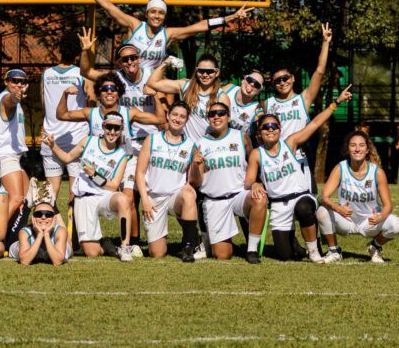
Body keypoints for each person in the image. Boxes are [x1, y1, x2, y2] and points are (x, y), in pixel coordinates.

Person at [78, 27, 166, 253]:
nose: (130, 61)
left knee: (134, 195)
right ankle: (126, 241)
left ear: (140, 58)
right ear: (120, 62)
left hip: (139, 145)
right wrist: (87, 50)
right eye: (125, 59)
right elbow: (86, 71)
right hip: (118, 147)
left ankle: (133, 242)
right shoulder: (115, 77)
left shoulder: (151, 74)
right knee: (126, 196)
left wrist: (155, 94)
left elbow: (161, 117)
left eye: (133, 57)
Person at [244, 85, 353, 263]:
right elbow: (248, 181)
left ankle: (313, 251)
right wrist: (255, 184)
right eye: (266, 127)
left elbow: (316, 123)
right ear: (259, 132)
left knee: (304, 208)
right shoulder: (257, 154)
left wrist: (336, 103)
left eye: (274, 126)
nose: (270, 130)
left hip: (300, 196)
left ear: (280, 129)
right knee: (285, 255)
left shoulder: (290, 143)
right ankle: (296, 247)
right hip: (279, 205)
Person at [71, 0, 250, 68]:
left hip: (151, 85)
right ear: (147, 13)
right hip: (130, 79)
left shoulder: (168, 34)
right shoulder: (135, 25)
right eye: (153, 12)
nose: (157, 16)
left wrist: (230, 18)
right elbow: (108, 6)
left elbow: (200, 26)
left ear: (164, 16)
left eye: (161, 13)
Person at [44, 111, 134, 261]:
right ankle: (106, 245)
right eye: (109, 127)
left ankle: (125, 247)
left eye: (116, 128)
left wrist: (94, 175)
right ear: (103, 126)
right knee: (91, 252)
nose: (112, 132)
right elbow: (67, 158)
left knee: (123, 199)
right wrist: (53, 145)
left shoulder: (122, 155)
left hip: (105, 196)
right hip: (84, 198)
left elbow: (113, 186)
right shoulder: (88, 142)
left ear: (121, 129)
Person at [190, 100, 267, 263]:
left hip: (238, 196)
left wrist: (255, 182)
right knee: (223, 256)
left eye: (221, 113)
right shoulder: (201, 143)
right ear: (208, 118)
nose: (216, 117)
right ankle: (214, 241)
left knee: (259, 197)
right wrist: (196, 167)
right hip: (215, 200)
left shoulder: (241, 137)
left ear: (229, 117)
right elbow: (196, 182)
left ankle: (251, 250)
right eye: (212, 114)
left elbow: (253, 160)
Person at [263, 23, 333, 190]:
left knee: (307, 209)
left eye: (285, 78)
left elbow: (320, 71)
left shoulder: (304, 98)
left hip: (299, 158)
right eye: (277, 81)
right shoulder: (268, 104)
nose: (282, 82)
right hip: (276, 161)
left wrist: (325, 42)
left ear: (293, 78)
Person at [316, 131, 399, 264]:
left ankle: (375, 246)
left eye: (361, 145)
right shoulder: (341, 168)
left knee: (396, 225)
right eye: (353, 145)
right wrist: (338, 209)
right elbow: (324, 197)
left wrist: (380, 217)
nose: (357, 149)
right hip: (346, 220)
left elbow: (388, 206)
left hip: (369, 221)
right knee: (322, 211)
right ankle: (334, 251)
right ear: (348, 149)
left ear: (367, 149)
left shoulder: (377, 172)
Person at [135, 101, 201, 262]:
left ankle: (188, 246)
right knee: (157, 253)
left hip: (174, 197)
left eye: (182, 117)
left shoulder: (191, 145)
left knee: (189, 194)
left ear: (186, 120)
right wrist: (145, 199)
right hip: (153, 199)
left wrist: (196, 166)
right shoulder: (152, 139)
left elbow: (195, 181)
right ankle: (193, 237)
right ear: (168, 115)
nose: (178, 119)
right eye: (175, 115)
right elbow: (140, 172)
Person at [57, 71, 165, 151]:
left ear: (118, 94)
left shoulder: (130, 113)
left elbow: (160, 119)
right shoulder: (90, 113)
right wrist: (64, 95)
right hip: (99, 163)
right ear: (98, 95)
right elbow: (61, 115)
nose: (109, 92)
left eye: (113, 89)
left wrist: (154, 95)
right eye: (105, 89)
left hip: (125, 163)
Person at [40, 32, 89, 195]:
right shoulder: (82, 75)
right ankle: (71, 222)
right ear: (77, 52)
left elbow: (44, 104)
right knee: (75, 193)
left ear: (59, 50)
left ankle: (49, 220)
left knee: (50, 193)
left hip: (50, 137)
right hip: (77, 138)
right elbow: (90, 103)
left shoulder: (46, 74)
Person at [147, 54, 226, 144]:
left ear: (217, 73)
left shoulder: (221, 97)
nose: (205, 75)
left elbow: (223, 130)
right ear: (196, 71)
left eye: (209, 71)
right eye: (201, 71)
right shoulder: (185, 86)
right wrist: (166, 63)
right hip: (185, 146)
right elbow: (152, 83)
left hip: (208, 147)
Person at [0, 69, 32, 245]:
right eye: (14, 80)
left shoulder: (2, 99)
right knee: (16, 199)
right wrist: (17, 96)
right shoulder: (5, 98)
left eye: (22, 82)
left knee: (28, 197)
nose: (18, 84)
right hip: (6, 156)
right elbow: (12, 100)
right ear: (6, 81)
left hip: (14, 157)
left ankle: (11, 238)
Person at [223, 70, 264, 136]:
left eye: (257, 85)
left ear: (258, 91)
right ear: (243, 80)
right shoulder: (228, 89)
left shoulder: (257, 110)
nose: (252, 84)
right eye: (250, 80)